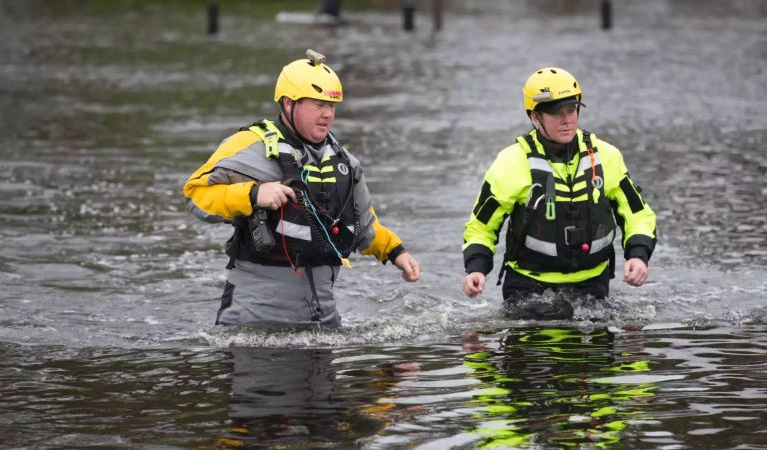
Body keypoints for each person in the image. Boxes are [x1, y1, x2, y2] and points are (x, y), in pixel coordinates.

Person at [183, 49, 420, 328]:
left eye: (331, 106)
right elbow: (196, 197)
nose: (327, 114)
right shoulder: (248, 146)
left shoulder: (345, 162)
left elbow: (362, 224)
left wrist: (396, 252)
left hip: (323, 318)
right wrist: (253, 194)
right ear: (287, 103)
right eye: (317, 104)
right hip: (255, 319)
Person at [461, 67, 656, 320]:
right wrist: (476, 268)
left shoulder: (607, 156)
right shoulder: (511, 162)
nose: (567, 120)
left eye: (571, 110)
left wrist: (638, 257)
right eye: (555, 113)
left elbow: (638, 215)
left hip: (592, 288)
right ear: (534, 117)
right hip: (528, 290)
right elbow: (481, 226)